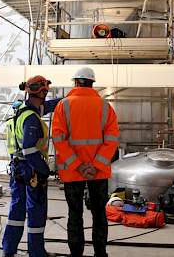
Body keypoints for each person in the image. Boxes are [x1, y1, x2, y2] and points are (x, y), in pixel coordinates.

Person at [52, 67, 120, 257]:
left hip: (73, 172)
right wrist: (96, 165)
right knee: (99, 214)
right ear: (92, 83)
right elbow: (112, 139)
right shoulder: (105, 107)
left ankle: (76, 255)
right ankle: (100, 253)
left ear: (75, 82)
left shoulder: (63, 106)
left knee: (75, 215)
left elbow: (59, 139)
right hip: (97, 173)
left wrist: (78, 165)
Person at [2, 75, 61, 257]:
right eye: (45, 91)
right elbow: (29, 149)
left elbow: (48, 106)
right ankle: (36, 253)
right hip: (31, 169)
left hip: (17, 167)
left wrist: (68, 98)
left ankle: (9, 249)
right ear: (42, 92)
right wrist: (45, 170)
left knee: (17, 209)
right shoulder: (32, 119)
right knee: (36, 210)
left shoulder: (19, 109)